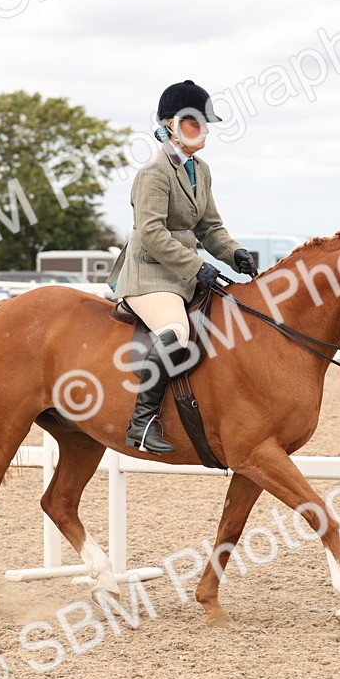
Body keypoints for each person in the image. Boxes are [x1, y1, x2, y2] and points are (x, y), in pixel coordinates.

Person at [107, 80, 259, 454]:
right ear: (170, 125)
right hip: (149, 273)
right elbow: (152, 232)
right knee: (176, 330)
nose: (204, 130)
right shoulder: (153, 173)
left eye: (206, 124)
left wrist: (234, 253)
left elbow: (210, 228)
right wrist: (196, 266)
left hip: (182, 272)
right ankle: (142, 423)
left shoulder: (200, 170)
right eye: (195, 123)